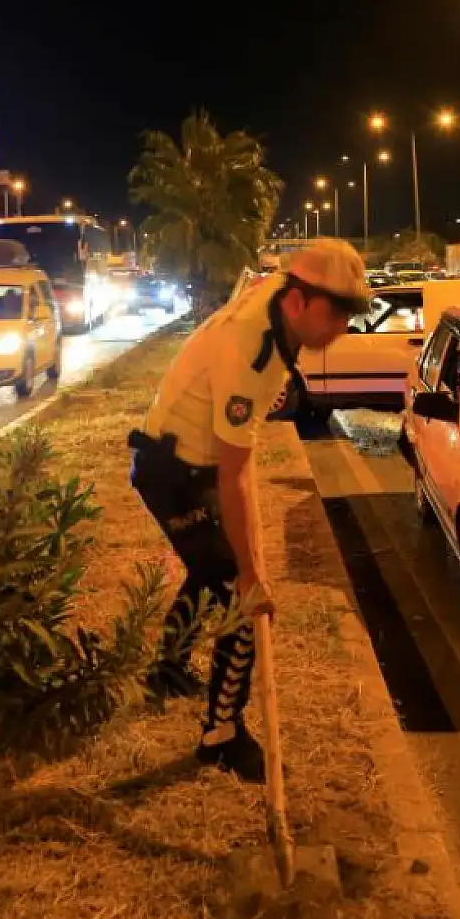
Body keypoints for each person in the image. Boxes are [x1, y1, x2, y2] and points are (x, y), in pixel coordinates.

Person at [129, 240, 369, 782]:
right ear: (297, 302)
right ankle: (221, 734)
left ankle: (168, 668)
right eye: (336, 313)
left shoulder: (279, 307)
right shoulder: (251, 350)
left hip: (192, 461)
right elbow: (236, 474)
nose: (343, 327)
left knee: (212, 569)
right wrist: (253, 574)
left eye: (349, 315)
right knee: (240, 594)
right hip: (173, 472)